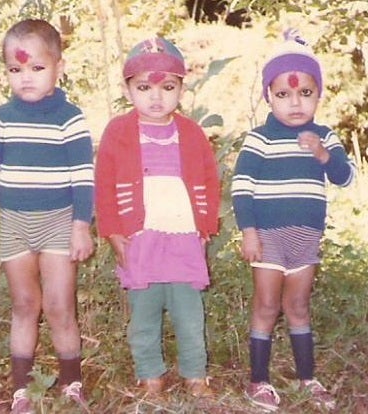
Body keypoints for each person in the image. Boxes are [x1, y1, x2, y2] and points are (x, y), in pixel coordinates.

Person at [0, 19, 94, 414]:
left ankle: (72, 381)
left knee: (59, 305)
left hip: (59, 222)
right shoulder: (0, 119)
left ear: (59, 66)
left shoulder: (70, 118)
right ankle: (22, 389)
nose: (26, 78)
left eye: (37, 68)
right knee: (25, 304)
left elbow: (82, 178)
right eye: (15, 69)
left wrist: (81, 227)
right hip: (15, 225)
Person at [231, 30, 355, 412]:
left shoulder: (324, 136)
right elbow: (241, 187)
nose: (295, 103)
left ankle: (307, 377)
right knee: (267, 306)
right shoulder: (259, 139)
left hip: (306, 237)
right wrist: (249, 232)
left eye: (305, 94)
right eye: (283, 95)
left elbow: (345, 177)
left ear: (318, 95)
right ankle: (259, 381)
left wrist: (322, 153)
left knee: (298, 306)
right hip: (269, 237)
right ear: (269, 96)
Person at [95, 37, 220, 398]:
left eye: (167, 87)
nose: (155, 97)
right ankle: (150, 375)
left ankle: (196, 375)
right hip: (140, 239)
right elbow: (103, 185)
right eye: (144, 87)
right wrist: (113, 232)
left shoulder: (192, 133)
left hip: (183, 237)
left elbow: (210, 182)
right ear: (128, 89)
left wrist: (205, 225)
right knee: (144, 314)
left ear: (181, 87)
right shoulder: (117, 132)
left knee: (189, 313)